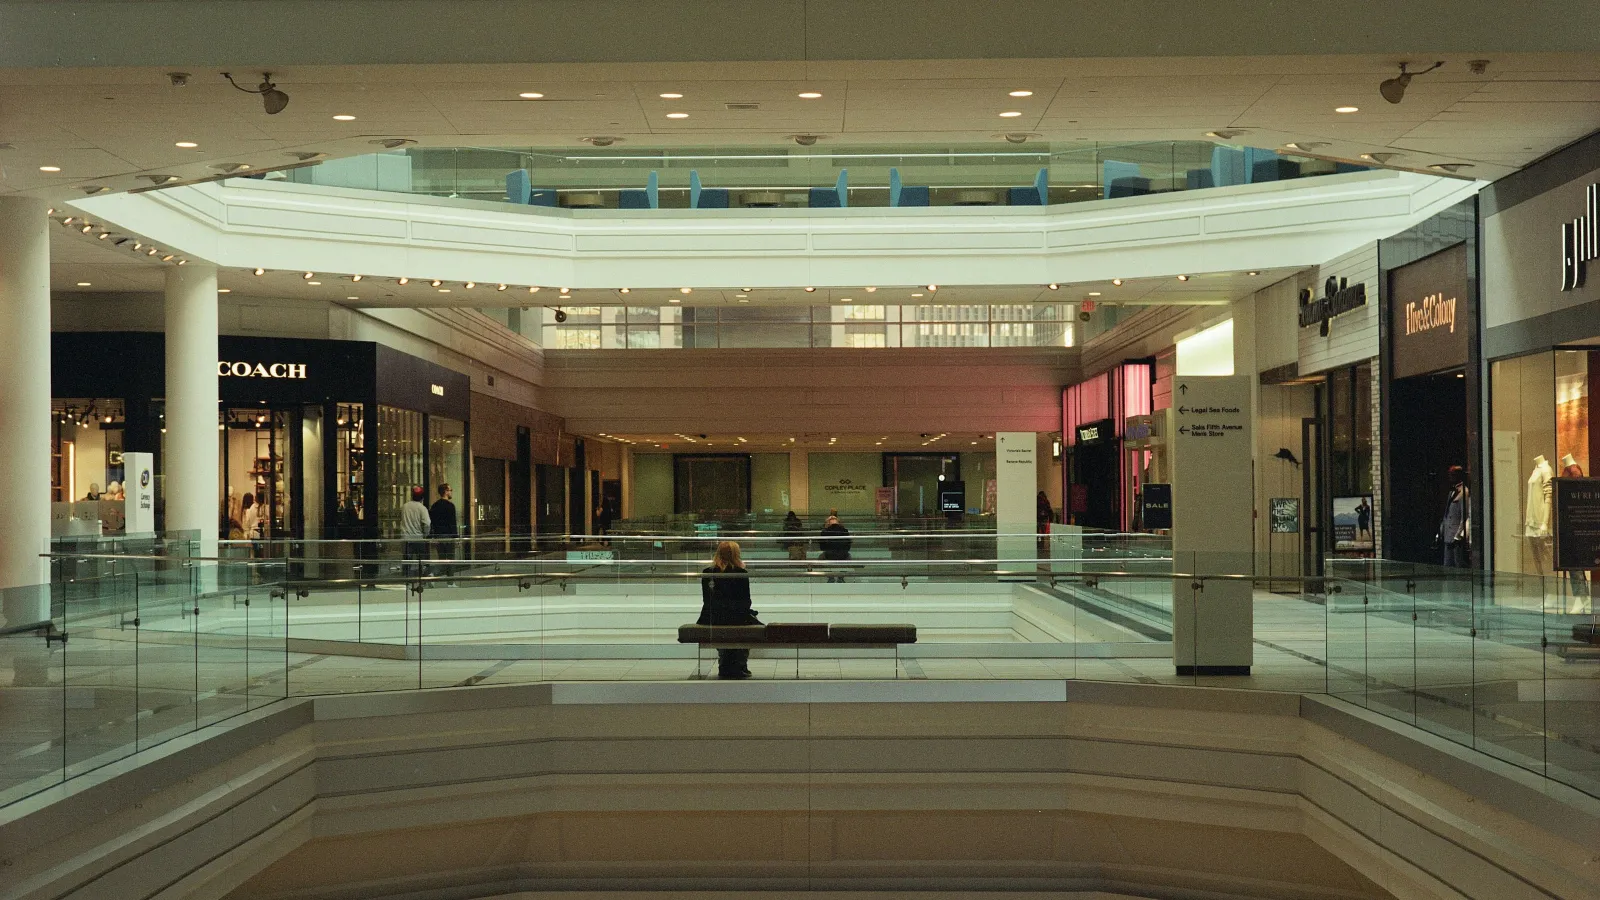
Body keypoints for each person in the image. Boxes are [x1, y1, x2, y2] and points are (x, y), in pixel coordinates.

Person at [698, 541, 757, 679]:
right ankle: (739, 664)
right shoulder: (741, 573)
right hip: (735, 616)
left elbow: (707, 600)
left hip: (711, 617)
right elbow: (746, 601)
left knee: (727, 627)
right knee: (749, 625)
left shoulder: (708, 572)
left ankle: (725, 662)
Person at [1437, 466, 1470, 568]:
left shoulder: (1464, 492)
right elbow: (1446, 513)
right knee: (1447, 564)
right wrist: (1441, 531)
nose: (1450, 477)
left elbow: (1464, 516)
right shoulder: (1452, 491)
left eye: (1453, 474)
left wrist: (1458, 535)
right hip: (1448, 533)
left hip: (1456, 535)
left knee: (1458, 563)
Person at [400, 485, 432, 577]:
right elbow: (427, 523)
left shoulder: (405, 506)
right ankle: (421, 578)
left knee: (407, 561)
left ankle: (406, 580)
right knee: (421, 561)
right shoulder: (422, 508)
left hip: (406, 538)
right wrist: (425, 534)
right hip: (418, 538)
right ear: (422, 497)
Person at [430, 483, 459, 578]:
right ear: (446, 492)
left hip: (438, 536)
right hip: (449, 536)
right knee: (450, 559)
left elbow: (432, 522)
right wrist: (456, 537)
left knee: (441, 559)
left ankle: (433, 574)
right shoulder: (450, 506)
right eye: (450, 490)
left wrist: (433, 536)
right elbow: (452, 523)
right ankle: (450, 580)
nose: (451, 492)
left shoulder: (435, 506)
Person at [819, 514, 852, 583]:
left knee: (821, 557)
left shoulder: (824, 532)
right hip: (843, 555)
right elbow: (848, 545)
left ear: (828, 523)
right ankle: (841, 577)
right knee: (849, 557)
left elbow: (822, 547)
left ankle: (831, 577)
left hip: (829, 554)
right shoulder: (845, 531)